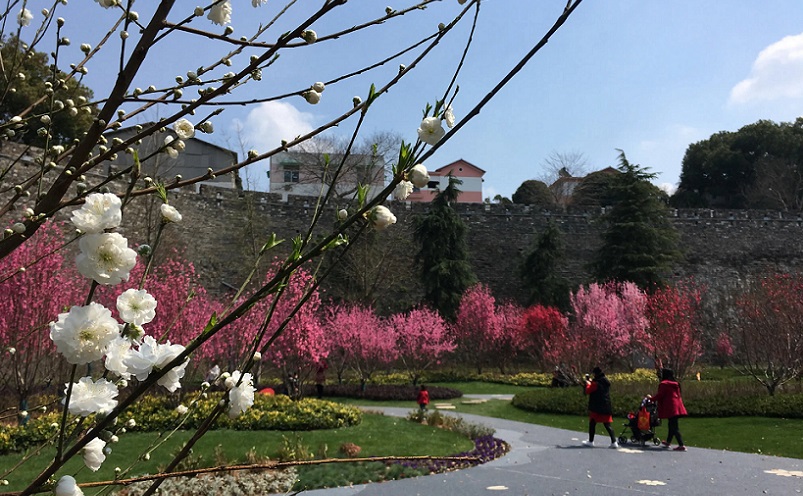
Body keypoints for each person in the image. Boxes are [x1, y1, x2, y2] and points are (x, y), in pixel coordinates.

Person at [582, 366, 619, 448]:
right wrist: (591, 382)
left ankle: (591, 441)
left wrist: (588, 384)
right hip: (606, 406)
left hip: (596, 407)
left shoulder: (596, 383)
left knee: (592, 423)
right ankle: (614, 442)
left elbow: (588, 390)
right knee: (607, 425)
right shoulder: (604, 382)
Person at [654, 367, 688, 451]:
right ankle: (668, 442)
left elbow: (660, 395)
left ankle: (681, 444)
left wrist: (651, 399)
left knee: (674, 427)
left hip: (670, 407)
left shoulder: (664, 384)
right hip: (677, 406)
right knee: (671, 424)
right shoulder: (675, 384)